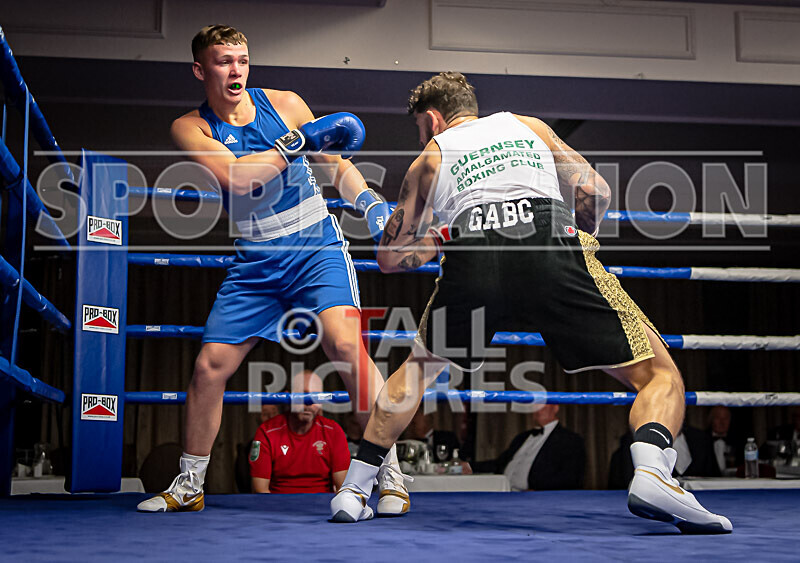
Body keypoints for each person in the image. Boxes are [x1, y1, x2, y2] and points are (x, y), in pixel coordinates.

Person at [331, 72, 732, 533]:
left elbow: (390, 257)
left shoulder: (431, 155)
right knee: (658, 374)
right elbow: (595, 191)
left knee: (417, 371)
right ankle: (652, 472)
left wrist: (441, 241)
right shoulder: (529, 125)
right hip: (546, 242)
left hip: (472, 251)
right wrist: (577, 240)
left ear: (433, 119)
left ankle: (355, 488)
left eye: (421, 129)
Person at [137, 25, 410, 513]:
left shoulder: (285, 104)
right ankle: (190, 483)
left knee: (347, 346)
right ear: (201, 70)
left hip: (313, 245)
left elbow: (332, 163)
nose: (235, 69)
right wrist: (294, 143)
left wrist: (368, 201)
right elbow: (239, 180)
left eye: (242, 59)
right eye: (223, 61)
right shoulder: (190, 127)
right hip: (255, 259)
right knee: (208, 368)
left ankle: (388, 474)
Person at [250, 371, 351, 493]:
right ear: (289, 397)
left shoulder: (333, 431)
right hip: (277, 507)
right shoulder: (267, 431)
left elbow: (343, 489)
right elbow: (260, 490)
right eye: (304, 394)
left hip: (322, 507)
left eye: (316, 396)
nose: (309, 402)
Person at [473, 404, 585, 491]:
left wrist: (539, 491)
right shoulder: (522, 437)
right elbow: (499, 464)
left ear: (555, 408)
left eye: (541, 404)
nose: (536, 408)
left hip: (538, 501)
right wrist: (469, 466)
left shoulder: (570, 440)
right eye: (534, 404)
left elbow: (571, 478)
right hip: (504, 494)